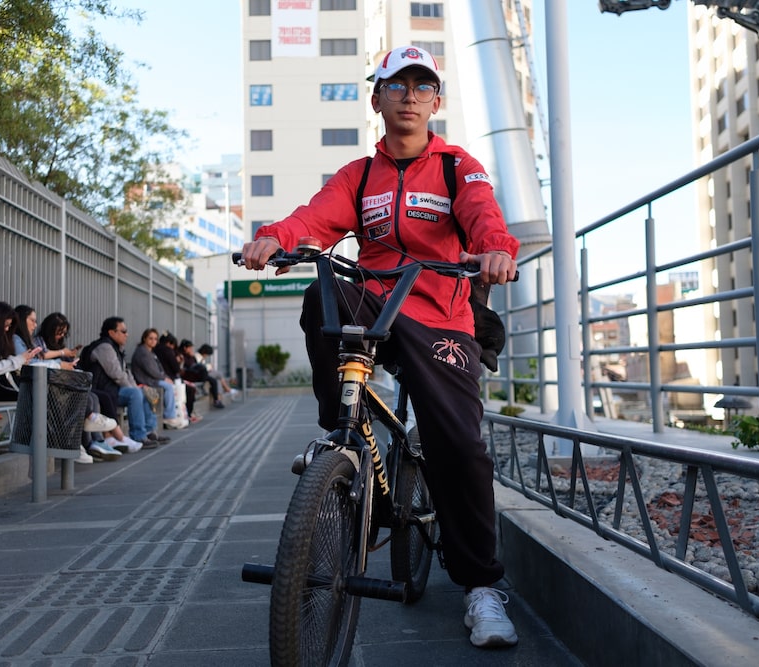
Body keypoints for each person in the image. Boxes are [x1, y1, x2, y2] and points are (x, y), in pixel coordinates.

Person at [239, 45, 521, 650]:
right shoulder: (359, 176)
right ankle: (340, 427)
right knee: (323, 294)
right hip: (377, 299)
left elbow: (483, 217)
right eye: (398, 85)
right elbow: (313, 220)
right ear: (378, 98)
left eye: (423, 87)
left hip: (439, 311)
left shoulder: (456, 168)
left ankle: (482, 587)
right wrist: (274, 238)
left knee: (460, 446)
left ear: (436, 101)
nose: (411, 96)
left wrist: (496, 250)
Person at [35, 312, 123, 463]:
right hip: (53, 385)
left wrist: (70, 360)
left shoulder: (60, 346)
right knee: (85, 398)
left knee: (95, 397)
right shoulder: (39, 343)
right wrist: (64, 355)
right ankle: (85, 443)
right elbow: (41, 358)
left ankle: (97, 441)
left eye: (63, 333)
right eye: (58, 333)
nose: (60, 336)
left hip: (68, 382)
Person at [81, 317, 169, 451]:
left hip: (114, 388)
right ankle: (138, 436)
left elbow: (127, 373)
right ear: (111, 333)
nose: (126, 334)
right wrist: (134, 389)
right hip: (104, 389)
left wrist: (137, 387)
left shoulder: (117, 348)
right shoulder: (105, 347)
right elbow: (116, 374)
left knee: (146, 391)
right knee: (135, 394)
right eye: (123, 331)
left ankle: (150, 432)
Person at [131, 328, 187, 429]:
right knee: (168, 386)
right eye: (150, 338)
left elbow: (159, 369)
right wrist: (164, 378)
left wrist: (165, 377)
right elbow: (151, 370)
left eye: (155, 339)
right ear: (144, 339)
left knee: (170, 384)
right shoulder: (142, 352)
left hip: (153, 379)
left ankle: (172, 414)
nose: (153, 341)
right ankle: (169, 416)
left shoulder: (150, 352)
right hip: (146, 380)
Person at [155, 333, 198, 425]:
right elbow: (176, 369)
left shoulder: (155, 350)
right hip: (170, 378)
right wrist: (179, 362)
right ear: (170, 343)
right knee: (190, 389)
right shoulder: (168, 351)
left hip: (161, 378)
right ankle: (186, 415)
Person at [179, 339, 224, 409]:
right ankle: (218, 397)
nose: (191, 350)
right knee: (216, 377)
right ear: (185, 348)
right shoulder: (183, 356)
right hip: (192, 375)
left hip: (197, 374)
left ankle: (218, 399)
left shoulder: (190, 356)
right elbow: (191, 366)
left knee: (216, 380)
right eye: (190, 348)